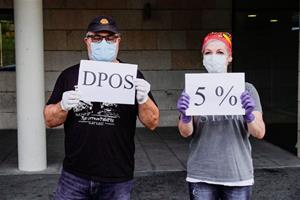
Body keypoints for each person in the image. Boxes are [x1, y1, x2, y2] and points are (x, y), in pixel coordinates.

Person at [44, 15, 159, 200]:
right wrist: (63, 105)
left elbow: (152, 122)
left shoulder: (132, 76)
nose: (103, 43)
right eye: (97, 38)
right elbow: (49, 120)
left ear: (118, 41)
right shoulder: (69, 75)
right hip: (75, 175)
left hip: (117, 177)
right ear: (87, 41)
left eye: (110, 38)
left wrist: (143, 98)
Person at [177, 32, 265, 200]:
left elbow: (259, 133)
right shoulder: (194, 88)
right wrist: (185, 116)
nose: (213, 57)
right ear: (202, 57)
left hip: (237, 174)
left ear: (229, 57)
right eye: (208, 53)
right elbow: (185, 132)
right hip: (201, 174)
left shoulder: (247, 89)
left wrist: (249, 116)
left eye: (220, 52)